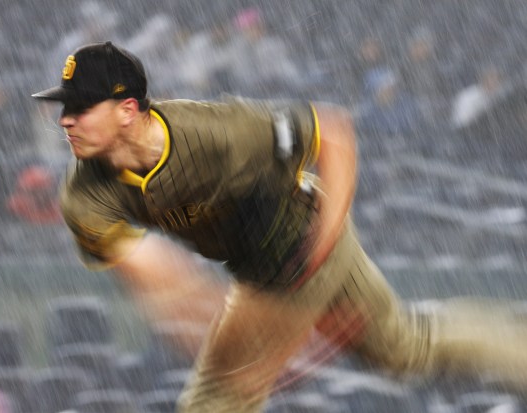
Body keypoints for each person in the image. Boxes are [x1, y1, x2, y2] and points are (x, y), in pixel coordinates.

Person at [32, 41, 527, 413]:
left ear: (127, 110)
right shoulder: (84, 195)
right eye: (65, 108)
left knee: (213, 403)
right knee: (403, 348)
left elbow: (331, 134)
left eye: (81, 108)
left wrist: (319, 259)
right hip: (263, 267)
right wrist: (264, 326)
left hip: (300, 239)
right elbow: (159, 275)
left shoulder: (219, 133)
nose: (66, 121)